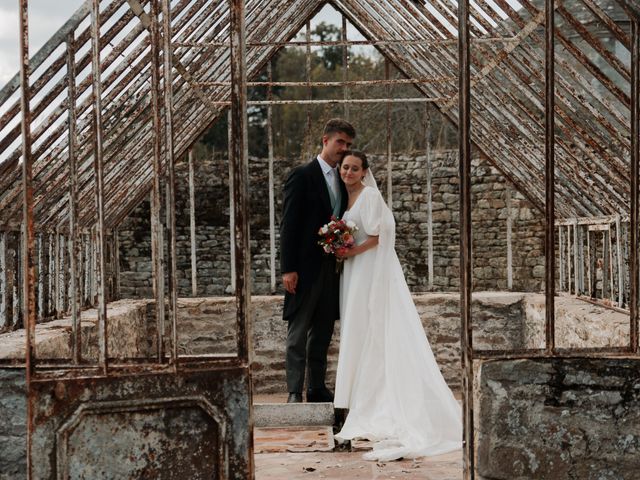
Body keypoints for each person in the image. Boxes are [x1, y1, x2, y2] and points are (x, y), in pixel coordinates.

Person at [333, 151, 462, 461]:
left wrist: (351, 252)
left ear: (364, 171)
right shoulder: (345, 198)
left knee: (372, 328)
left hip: (367, 269)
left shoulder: (370, 196)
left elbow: (381, 234)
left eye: (354, 168)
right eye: (345, 167)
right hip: (353, 271)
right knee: (357, 330)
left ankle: (382, 405)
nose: (348, 172)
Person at [280, 118, 355, 403]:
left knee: (323, 331)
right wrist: (288, 268)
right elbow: (289, 225)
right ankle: (293, 391)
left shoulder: (344, 178)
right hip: (304, 269)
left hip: (332, 269)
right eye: (340, 142)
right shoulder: (301, 175)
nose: (344, 149)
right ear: (325, 140)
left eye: (348, 145)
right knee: (298, 332)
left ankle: (316, 387)